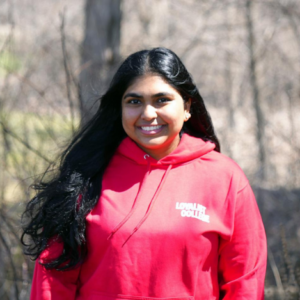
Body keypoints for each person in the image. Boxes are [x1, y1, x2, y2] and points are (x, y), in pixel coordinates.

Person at [21, 47, 267, 299]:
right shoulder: (85, 175)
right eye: (134, 102)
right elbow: (52, 281)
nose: (148, 114)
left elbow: (245, 281)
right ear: (120, 109)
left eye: (162, 100)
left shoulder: (225, 178)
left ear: (187, 107)